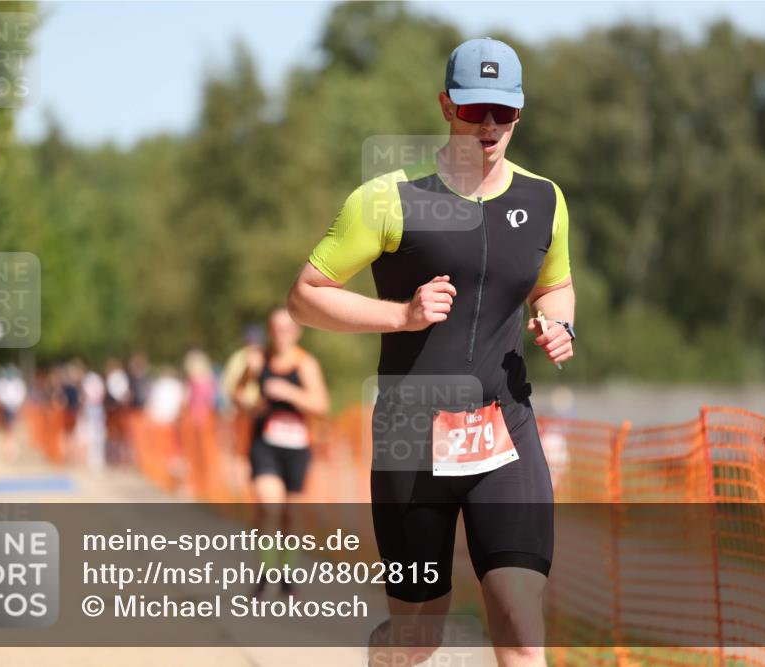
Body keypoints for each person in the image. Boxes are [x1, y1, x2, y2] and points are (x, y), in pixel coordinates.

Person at [287, 38, 575, 667]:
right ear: (447, 107)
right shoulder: (387, 200)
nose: (490, 126)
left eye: (504, 111)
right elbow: (306, 297)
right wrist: (402, 315)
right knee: (418, 635)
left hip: (505, 428)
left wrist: (560, 325)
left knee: (523, 626)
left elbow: (556, 284)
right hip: (412, 438)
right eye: (475, 111)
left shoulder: (544, 201)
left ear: (521, 113)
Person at [236, 308, 329, 596]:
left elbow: (322, 405)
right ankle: (266, 573)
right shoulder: (257, 360)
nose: (281, 334)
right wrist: (251, 407)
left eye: (287, 329)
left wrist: (289, 393)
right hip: (264, 442)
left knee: (291, 513)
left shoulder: (305, 364)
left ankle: (287, 573)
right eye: (275, 328)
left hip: (297, 446)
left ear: (297, 332)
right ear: (269, 331)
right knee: (269, 506)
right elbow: (237, 392)